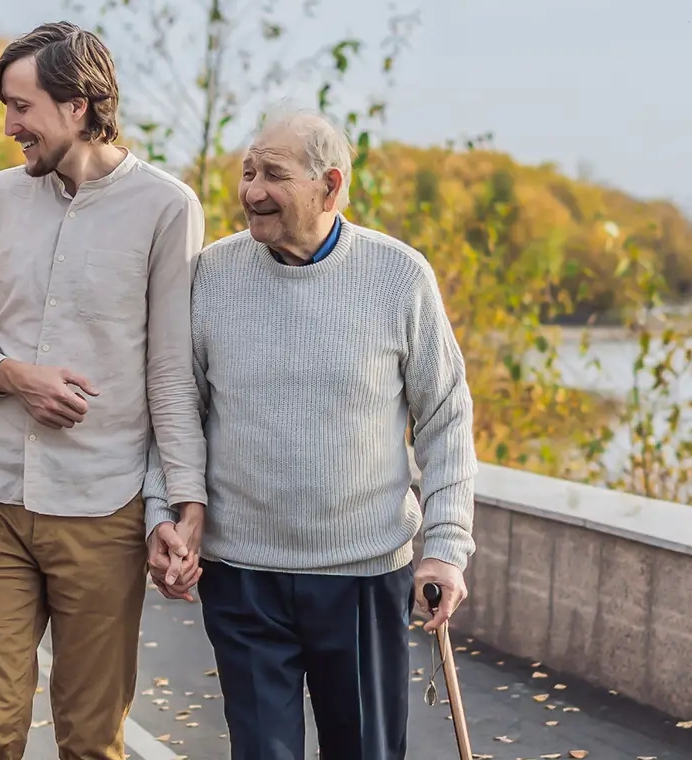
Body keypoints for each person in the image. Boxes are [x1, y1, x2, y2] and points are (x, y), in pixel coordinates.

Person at [145, 106, 479, 759]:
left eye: (271, 174)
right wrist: (166, 508)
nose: (250, 191)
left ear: (329, 186)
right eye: (246, 173)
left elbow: (445, 416)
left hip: (361, 572)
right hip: (240, 572)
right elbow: (176, 404)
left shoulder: (397, 275)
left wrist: (444, 546)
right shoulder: (210, 275)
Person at [0, 21, 208, 759]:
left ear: (78, 105)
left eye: (21, 108)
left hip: (101, 510)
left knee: (90, 741)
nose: (9, 127)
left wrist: (185, 503)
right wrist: (12, 374)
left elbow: (172, 376)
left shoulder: (166, 209)